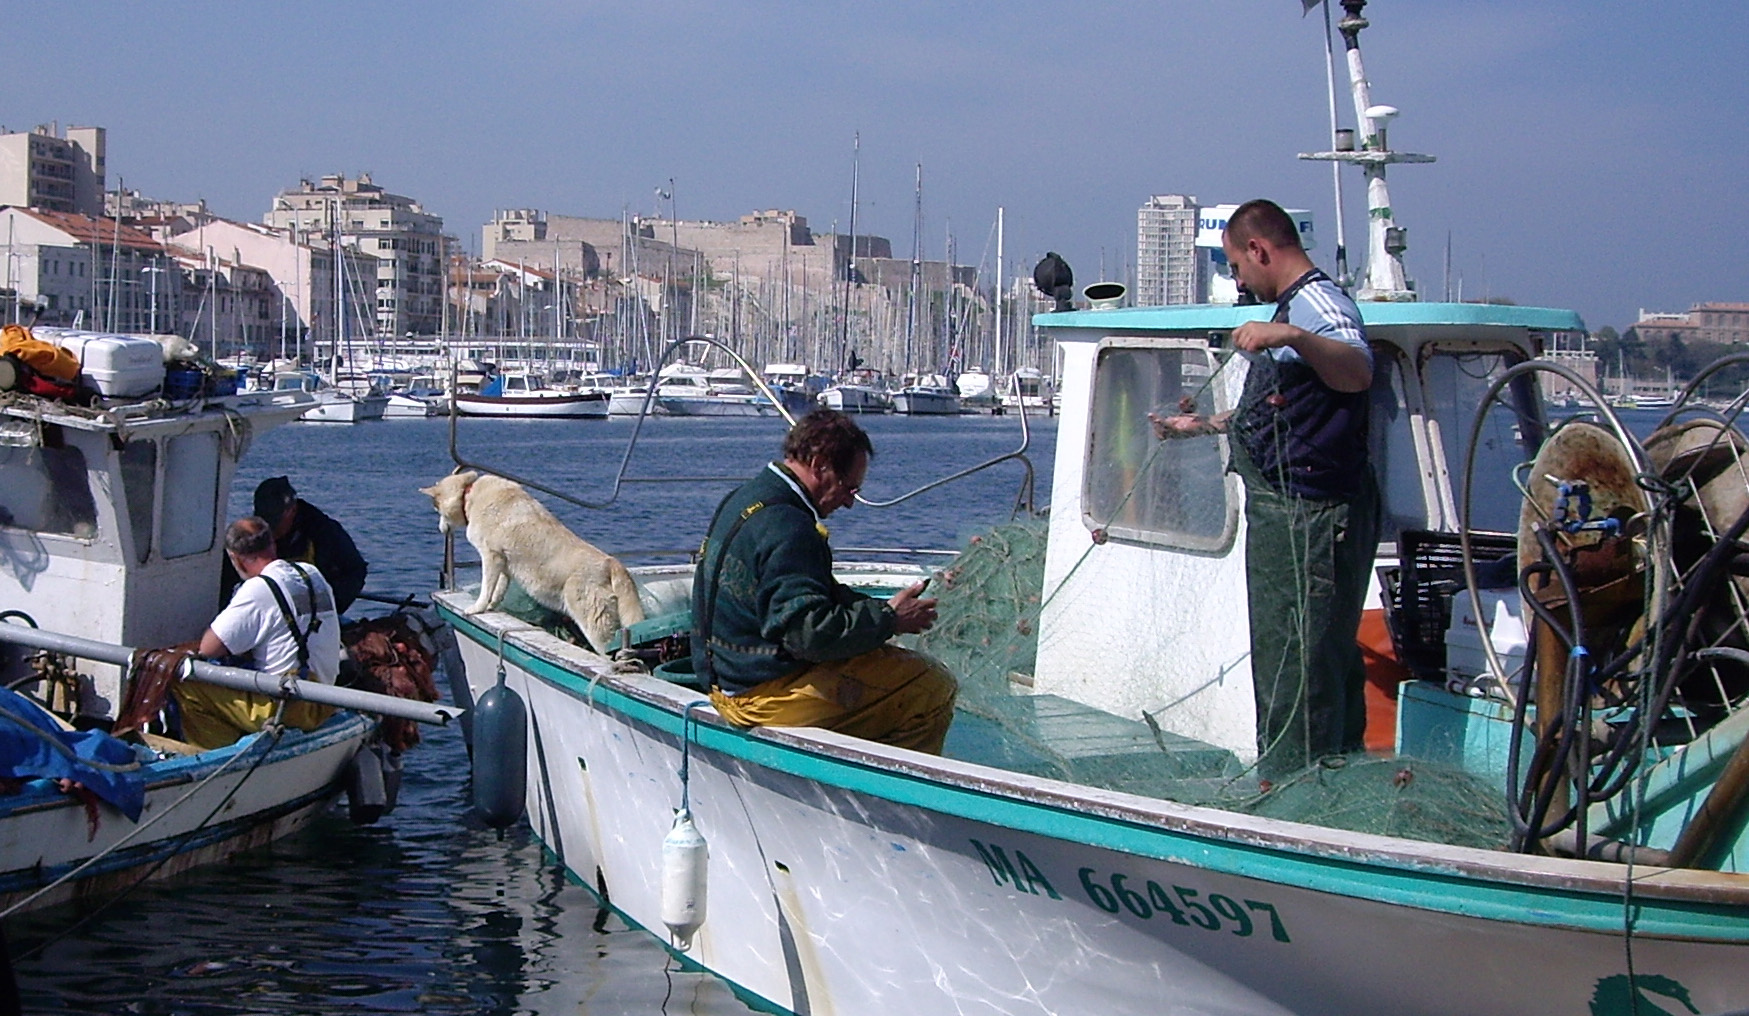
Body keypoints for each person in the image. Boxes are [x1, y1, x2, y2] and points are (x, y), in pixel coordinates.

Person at [1150, 198, 1380, 779]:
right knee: (1289, 658)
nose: (1238, 280)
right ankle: (1302, 778)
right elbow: (1284, 411)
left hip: (1313, 518)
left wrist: (1294, 335)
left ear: (1259, 249)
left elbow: (1357, 371)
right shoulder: (1290, 309)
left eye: (1236, 265)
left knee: (1302, 666)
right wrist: (1200, 426)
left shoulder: (1317, 305)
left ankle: (1299, 791)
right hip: (1286, 514)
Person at [692, 409, 957, 753]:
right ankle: (893, 780)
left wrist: (883, 610)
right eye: (849, 488)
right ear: (819, 465)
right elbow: (807, 636)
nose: (848, 502)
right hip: (757, 697)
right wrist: (889, 620)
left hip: (723, 680)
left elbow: (815, 596)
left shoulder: (747, 498)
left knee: (881, 659)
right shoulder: (790, 528)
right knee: (932, 686)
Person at [174, 516, 342, 750]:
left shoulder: (257, 588)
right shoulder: (310, 572)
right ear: (272, 544)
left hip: (290, 706)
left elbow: (209, 648)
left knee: (184, 684)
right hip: (325, 698)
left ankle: (220, 753)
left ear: (235, 558)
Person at [250, 475, 368, 614]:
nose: (270, 529)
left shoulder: (324, 531)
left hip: (315, 613)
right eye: (265, 521)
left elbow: (355, 570)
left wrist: (326, 607)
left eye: (276, 521)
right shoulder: (250, 534)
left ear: (293, 510)